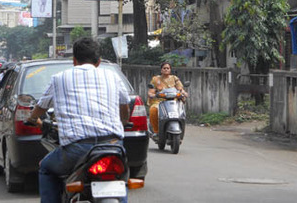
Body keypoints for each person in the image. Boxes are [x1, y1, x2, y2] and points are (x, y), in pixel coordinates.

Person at [27, 37, 130, 203]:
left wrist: (32, 118)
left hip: (77, 149)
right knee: (119, 178)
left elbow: (40, 108)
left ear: (74, 61)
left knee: (46, 168)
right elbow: (124, 105)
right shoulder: (113, 76)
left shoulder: (59, 78)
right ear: (99, 61)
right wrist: (123, 122)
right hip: (113, 145)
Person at [147, 61, 188, 135]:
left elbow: (180, 89)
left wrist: (184, 93)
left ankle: (181, 132)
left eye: (168, 68)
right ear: (161, 70)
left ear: (170, 70)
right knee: (153, 110)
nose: (166, 69)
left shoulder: (174, 78)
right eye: (164, 68)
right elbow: (151, 92)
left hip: (173, 101)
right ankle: (156, 132)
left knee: (181, 113)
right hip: (159, 101)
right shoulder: (155, 79)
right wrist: (152, 95)